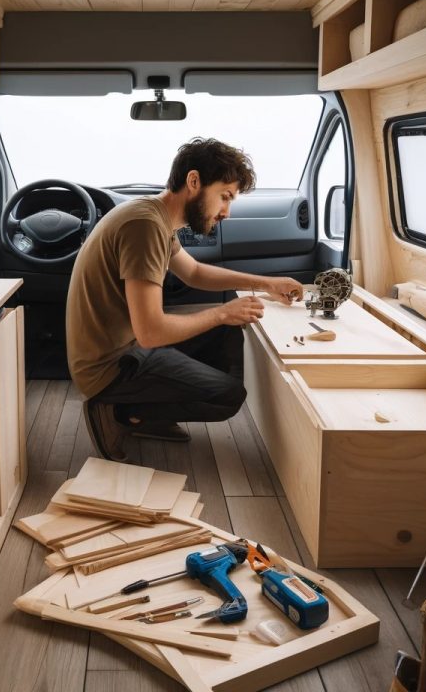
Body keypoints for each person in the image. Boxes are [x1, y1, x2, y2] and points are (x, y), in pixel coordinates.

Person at [66, 137, 303, 462]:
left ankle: (146, 413)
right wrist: (222, 312)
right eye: (224, 197)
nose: (226, 213)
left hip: (127, 345)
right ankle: (122, 410)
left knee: (226, 332)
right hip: (110, 367)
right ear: (194, 181)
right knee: (229, 395)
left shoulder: (155, 218)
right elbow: (150, 332)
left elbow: (193, 272)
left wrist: (265, 283)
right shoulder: (144, 226)